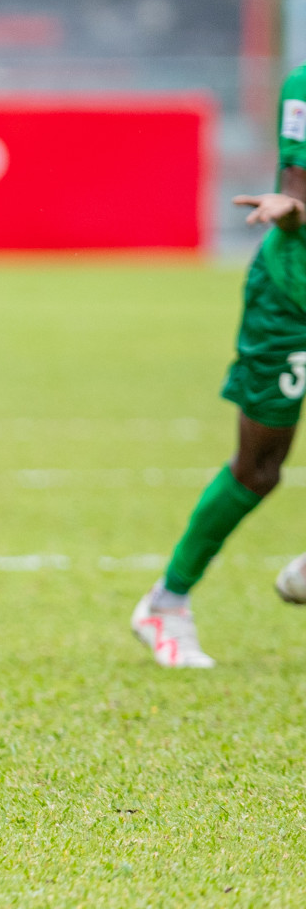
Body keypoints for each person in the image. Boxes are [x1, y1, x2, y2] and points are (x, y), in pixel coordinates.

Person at [131, 128, 306, 671]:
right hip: (289, 299)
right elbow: (296, 194)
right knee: (258, 469)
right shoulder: (302, 84)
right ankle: (165, 604)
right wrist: (294, 209)